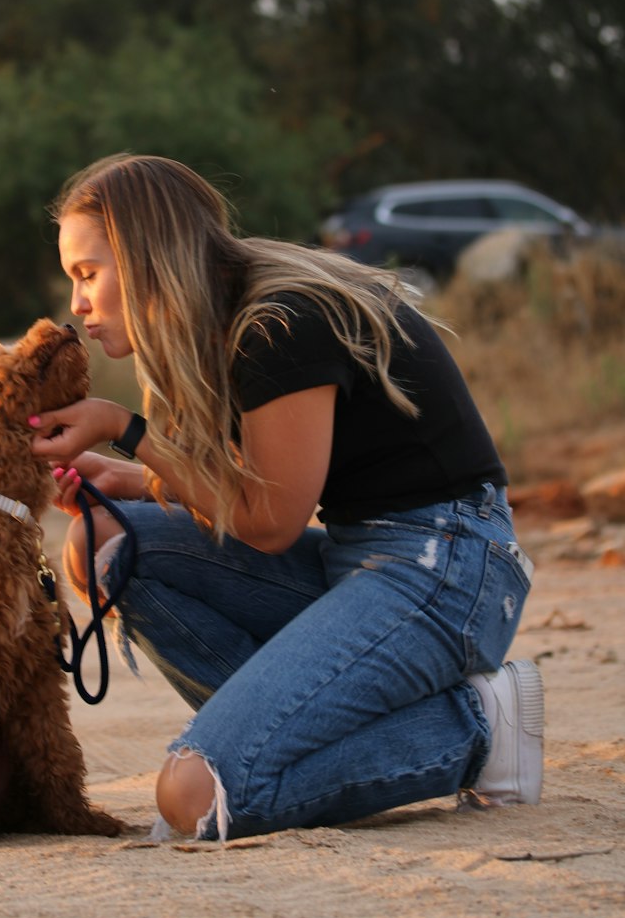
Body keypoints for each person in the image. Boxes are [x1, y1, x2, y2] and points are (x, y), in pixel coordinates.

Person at [28, 154, 543, 842]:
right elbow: (245, 483)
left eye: (88, 274)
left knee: (194, 798)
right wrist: (128, 479)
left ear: (149, 255)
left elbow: (268, 521)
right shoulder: (220, 317)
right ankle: (277, 736)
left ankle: (476, 731)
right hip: (363, 558)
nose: (77, 303)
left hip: (447, 569)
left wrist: (126, 430)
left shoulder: (278, 322)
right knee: (110, 543)